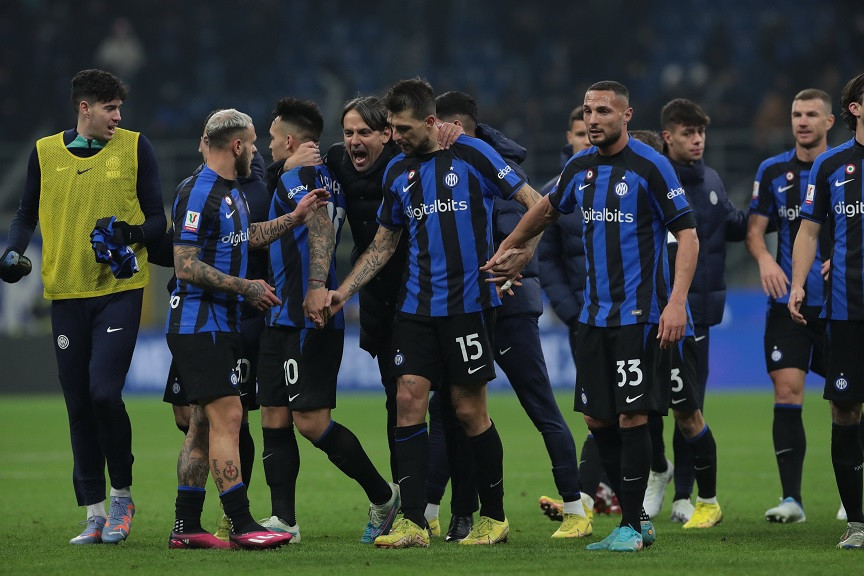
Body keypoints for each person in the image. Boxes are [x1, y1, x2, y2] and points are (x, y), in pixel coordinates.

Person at [327, 77, 542, 548]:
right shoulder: (396, 171)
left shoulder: (473, 155)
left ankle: (495, 517)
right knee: (408, 400)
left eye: (404, 129)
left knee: (468, 410)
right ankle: (413, 522)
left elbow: (536, 204)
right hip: (416, 307)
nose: (397, 138)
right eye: (393, 129)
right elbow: (383, 243)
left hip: (469, 306)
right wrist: (344, 291)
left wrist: (523, 252)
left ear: (430, 121)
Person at [483, 80, 698, 552]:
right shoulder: (579, 167)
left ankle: (632, 526)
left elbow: (688, 235)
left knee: (631, 415)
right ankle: (637, 520)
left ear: (626, 115)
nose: (593, 119)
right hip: (593, 316)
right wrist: (510, 246)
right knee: (597, 421)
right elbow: (545, 210)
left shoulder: (652, 166)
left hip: (638, 314)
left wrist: (677, 302)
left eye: (603, 111)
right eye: (587, 111)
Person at [0, 69, 166, 545]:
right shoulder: (44, 152)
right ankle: (93, 513)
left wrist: (131, 234)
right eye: (110, 108)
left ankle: (122, 497)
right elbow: (25, 214)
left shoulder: (136, 147)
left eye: (120, 108)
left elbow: (158, 219)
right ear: (84, 108)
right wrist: (12, 252)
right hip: (66, 294)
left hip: (119, 289)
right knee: (78, 404)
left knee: (103, 394)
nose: (118, 117)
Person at [430, 90, 591, 540]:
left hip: (511, 306)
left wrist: (516, 257)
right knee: (451, 410)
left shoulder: (495, 165)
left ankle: (576, 509)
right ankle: (435, 513)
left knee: (539, 405)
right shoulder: (441, 167)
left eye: (433, 125)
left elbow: (536, 213)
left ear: (452, 127)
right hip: (468, 306)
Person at [165, 108, 324, 550]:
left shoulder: (230, 191)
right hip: (199, 325)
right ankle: (240, 523)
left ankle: (186, 526)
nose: (256, 151)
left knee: (202, 425)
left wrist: (294, 217)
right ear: (236, 145)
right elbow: (185, 265)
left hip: (221, 324)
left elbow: (244, 236)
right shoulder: (197, 191)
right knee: (230, 417)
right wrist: (246, 287)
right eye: (252, 144)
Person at [255, 97, 400, 544]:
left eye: (274, 138)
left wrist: (317, 284)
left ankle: (383, 496)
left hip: (308, 313)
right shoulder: (319, 171)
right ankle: (284, 520)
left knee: (311, 421)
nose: (268, 145)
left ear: (291, 141)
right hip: (279, 314)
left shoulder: (302, 176)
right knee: (273, 415)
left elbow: (319, 227)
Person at [324, 96, 461, 484]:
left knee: (453, 402)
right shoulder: (335, 160)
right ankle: (408, 496)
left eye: (364, 132)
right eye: (348, 132)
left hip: (426, 292)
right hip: (379, 300)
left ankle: (452, 501)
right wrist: (289, 161)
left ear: (386, 134)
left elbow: (477, 155)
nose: (354, 141)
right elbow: (289, 169)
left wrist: (463, 132)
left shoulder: (406, 159)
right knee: (397, 400)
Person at [642, 98, 741, 527]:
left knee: (688, 405)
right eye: (688, 132)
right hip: (653, 309)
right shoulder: (652, 177)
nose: (698, 140)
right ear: (667, 137)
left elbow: (733, 223)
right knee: (648, 405)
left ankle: (685, 493)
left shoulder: (712, 179)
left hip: (697, 312)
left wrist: (775, 212)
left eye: (701, 132)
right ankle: (657, 470)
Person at [746, 89, 835, 524]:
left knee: (847, 401)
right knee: (786, 391)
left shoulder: (845, 168)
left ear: (830, 122)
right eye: (797, 114)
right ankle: (792, 500)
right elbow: (754, 230)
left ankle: (850, 496)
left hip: (840, 304)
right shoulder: (772, 170)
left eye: (812, 114)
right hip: (787, 304)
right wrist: (765, 260)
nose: (802, 121)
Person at [789, 72, 864, 549]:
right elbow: (810, 230)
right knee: (845, 408)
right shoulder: (831, 165)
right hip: (846, 309)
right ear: (855, 108)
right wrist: (798, 284)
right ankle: (857, 523)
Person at [537, 107, 621, 522]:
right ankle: (596, 494)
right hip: (583, 318)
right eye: (578, 132)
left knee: (629, 408)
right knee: (600, 409)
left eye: (590, 132)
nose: (586, 137)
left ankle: (630, 483)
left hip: (627, 313)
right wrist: (570, 312)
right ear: (568, 139)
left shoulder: (624, 182)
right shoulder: (555, 193)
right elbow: (547, 260)